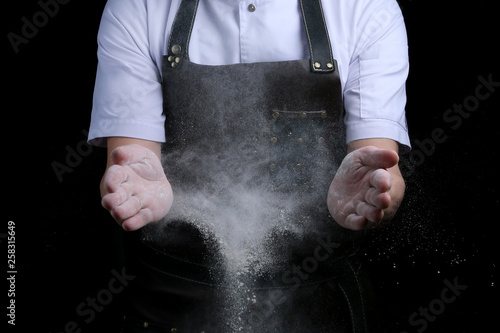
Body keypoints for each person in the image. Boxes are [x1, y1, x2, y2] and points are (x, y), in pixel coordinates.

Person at [89, 0, 410, 331]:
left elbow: (382, 166)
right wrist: (130, 185)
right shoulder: (137, 6)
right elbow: (129, 156)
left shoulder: (366, 7)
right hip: (169, 300)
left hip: (321, 302)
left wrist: (374, 188)